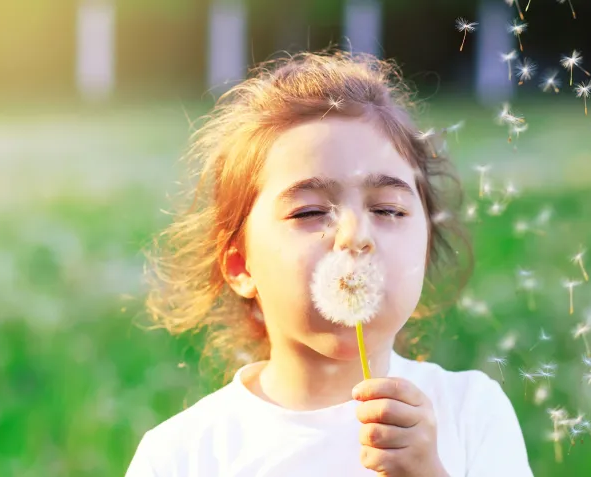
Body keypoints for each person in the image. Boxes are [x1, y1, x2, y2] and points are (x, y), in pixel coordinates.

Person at [127, 49, 533, 476]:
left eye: (389, 210)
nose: (355, 234)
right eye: (309, 212)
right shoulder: (183, 455)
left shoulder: (469, 413)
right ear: (241, 267)